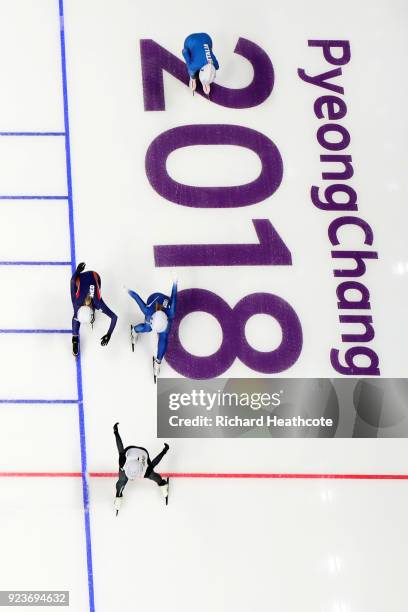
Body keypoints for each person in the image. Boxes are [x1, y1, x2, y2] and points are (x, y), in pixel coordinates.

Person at [113, 422, 169, 513]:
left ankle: (118, 495)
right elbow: (120, 447)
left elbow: (155, 462)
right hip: (131, 452)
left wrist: (164, 451)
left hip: (143, 454)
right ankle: (162, 484)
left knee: (122, 481)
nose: (131, 479)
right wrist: (116, 431)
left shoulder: (142, 470)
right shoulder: (123, 462)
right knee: (151, 474)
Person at [128, 281, 177, 381]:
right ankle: (134, 330)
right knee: (147, 328)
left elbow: (174, 295)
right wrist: (126, 289)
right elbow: (135, 296)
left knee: (164, 337)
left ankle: (158, 361)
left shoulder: (170, 313)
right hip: (153, 299)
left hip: (163, 309)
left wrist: (175, 281)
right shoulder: (148, 311)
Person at [70, 262, 117, 357]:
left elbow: (114, 317)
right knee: (76, 316)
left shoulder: (98, 303)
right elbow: (72, 281)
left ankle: (75, 338)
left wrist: (109, 334)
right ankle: (75, 338)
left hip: (95, 276)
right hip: (82, 279)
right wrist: (78, 271)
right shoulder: (76, 302)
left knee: (77, 315)